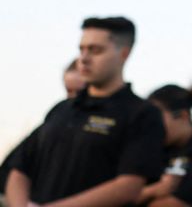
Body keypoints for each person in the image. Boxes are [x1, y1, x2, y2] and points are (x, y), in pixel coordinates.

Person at [4, 17, 165, 207]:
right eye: (82, 49)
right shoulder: (62, 109)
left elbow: (129, 187)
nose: (84, 58)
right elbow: (19, 168)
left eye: (96, 50)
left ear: (124, 53)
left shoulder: (141, 114)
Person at [0, 59, 89, 193]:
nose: (72, 99)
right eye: (68, 91)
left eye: (78, 92)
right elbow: (17, 164)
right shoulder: (59, 114)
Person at [139, 85, 192, 207]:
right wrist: (153, 191)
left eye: (156, 119)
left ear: (183, 116)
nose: (150, 126)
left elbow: (177, 203)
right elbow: (124, 193)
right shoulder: (153, 150)